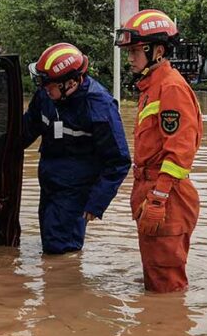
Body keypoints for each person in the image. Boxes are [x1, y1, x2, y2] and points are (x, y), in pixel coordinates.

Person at [115, 9, 203, 293]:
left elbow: (180, 152)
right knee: (155, 279)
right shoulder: (152, 87)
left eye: (136, 51)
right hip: (152, 192)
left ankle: (167, 334)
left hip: (167, 197)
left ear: (159, 51)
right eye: (129, 51)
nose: (130, 58)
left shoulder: (171, 88)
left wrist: (159, 198)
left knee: (167, 288)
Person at [21, 43, 131, 254]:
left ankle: (65, 283)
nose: (44, 89)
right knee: (49, 241)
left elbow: (118, 161)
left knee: (60, 251)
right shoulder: (46, 95)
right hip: (49, 181)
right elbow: (25, 132)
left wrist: (97, 202)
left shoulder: (99, 107)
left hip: (76, 190)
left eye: (49, 85)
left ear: (70, 83)